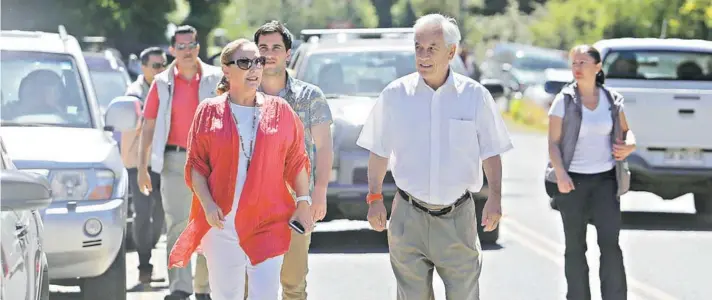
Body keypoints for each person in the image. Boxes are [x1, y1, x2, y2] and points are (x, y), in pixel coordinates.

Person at [356, 14, 513, 300]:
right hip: (408, 216)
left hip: (458, 218)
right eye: (418, 47)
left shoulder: (475, 96)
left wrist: (495, 198)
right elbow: (379, 151)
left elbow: (491, 152)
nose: (423, 55)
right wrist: (374, 198)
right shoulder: (395, 95)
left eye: (432, 48)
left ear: (451, 52)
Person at [167, 38, 314, 300]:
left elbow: (296, 159)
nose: (254, 69)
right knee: (227, 296)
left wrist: (303, 201)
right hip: (222, 222)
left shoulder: (280, 110)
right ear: (226, 69)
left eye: (258, 61)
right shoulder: (209, 111)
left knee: (265, 295)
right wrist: (209, 205)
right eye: (245, 62)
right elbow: (196, 165)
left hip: (268, 220)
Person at [137, 25, 219, 300]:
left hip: (211, 161)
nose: (186, 51)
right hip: (174, 160)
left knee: (210, 223)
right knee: (177, 224)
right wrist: (142, 167)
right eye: (180, 46)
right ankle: (180, 287)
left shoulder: (215, 78)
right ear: (172, 50)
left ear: (198, 47)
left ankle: (204, 287)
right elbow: (147, 126)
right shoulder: (161, 83)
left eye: (191, 45)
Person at [547, 44, 635, 300]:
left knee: (610, 245)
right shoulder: (563, 101)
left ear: (598, 67)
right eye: (574, 63)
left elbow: (628, 132)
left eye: (583, 62)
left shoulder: (611, 100)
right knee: (575, 247)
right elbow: (552, 143)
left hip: (605, 181)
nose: (577, 68)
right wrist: (561, 175)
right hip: (571, 182)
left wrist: (630, 145)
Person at [253, 20, 333, 300]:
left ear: (288, 53)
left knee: (293, 283)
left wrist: (319, 192)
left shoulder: (310, 96)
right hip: (252, 204)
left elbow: (323, 148)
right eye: (263, 47)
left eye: (276, 47)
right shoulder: (244, 96)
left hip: (297, 203)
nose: (269, 53)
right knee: (252, 285)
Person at [122, 46, 167, 285]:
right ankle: (144, 265)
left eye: (163, 64)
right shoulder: (134, 94)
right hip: (138, 163)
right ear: (143, 68)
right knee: (142, 215)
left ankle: (147, 250)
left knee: (159, 218)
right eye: (155, 65)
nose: (161, 69)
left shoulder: (168, 88)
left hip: (162, 160)